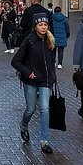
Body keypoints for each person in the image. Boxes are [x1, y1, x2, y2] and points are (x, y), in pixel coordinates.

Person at [12, 15, 59, 154]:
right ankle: (24, 125)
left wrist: (52, 75)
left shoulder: (50, 40)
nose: (43, 27)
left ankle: (44, 142)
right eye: (40, 25)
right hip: (31, 81)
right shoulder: (29, 41)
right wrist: (28, 72)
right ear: (35, 26)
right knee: (31, 109)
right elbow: (15, 61)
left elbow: (51, 61)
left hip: (45, 81)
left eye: (45, 25)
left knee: (45, 109)